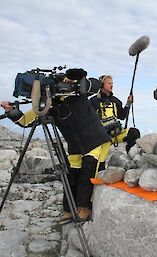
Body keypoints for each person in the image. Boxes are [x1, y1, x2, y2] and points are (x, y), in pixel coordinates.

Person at [1, 69, 111, 223]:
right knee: (71, 173)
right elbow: (26, 121)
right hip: (75, 144)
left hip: (94, 139)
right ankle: (69, 209)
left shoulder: (78, 89)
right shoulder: (48, 102)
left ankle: (83, 208)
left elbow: (95, 85)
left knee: (88, 171)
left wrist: (76, 79)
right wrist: (11, 111)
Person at [89, 75, 140, 171]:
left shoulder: (116, 101)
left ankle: (132, 159)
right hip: (101, 137)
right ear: (102, 85)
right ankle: (99, 177)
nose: (111, 85)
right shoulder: (93, 101)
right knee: (100, 162)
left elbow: (122, 116)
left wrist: (128, 104)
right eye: (109, 83)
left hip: (115, 134)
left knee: (134, 132)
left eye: (112, 83)